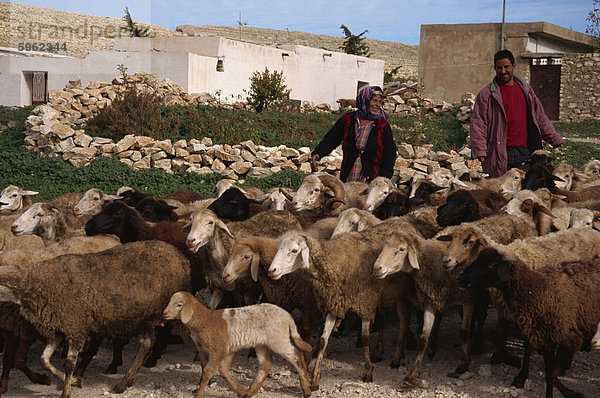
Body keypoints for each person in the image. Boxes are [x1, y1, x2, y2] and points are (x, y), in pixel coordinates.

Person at [470, 49, 565, 178]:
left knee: (523, 190)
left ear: (514, 66)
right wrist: (480, 150)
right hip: (499, 152)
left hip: (524, 151)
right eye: (499, 68)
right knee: (501, 190)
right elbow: (479, 124)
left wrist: (554, 139)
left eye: (506, 67)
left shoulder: (526, 90)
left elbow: (540, 117)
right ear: (494, 68)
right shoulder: (487, 95)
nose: (503, 71)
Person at [310, 86, 397, 182]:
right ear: (365, 100)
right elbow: (332, 138)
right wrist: (319, 152)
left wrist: (384, 176)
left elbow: (390, 152)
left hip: (371, 177)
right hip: (349, 172)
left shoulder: (382, 125)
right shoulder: (348, 119)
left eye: (380, 102)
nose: (377, 105)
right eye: (374, 100)